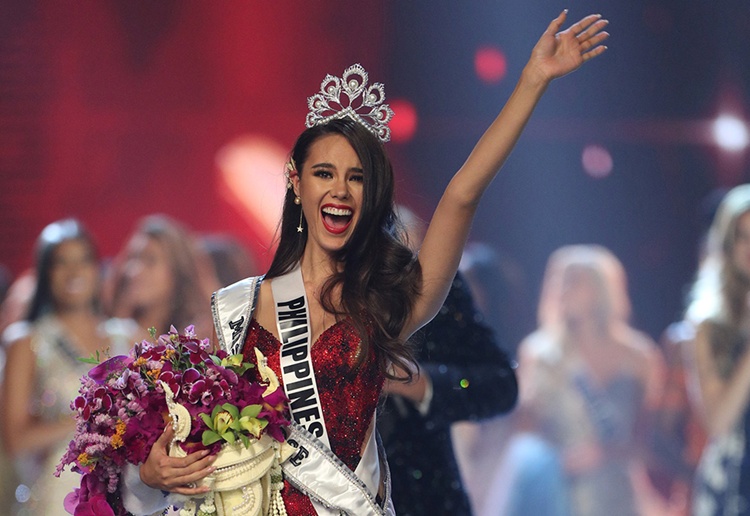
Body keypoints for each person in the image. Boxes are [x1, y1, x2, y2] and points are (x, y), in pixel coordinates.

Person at [129, 12, 609, 515]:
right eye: (324, 173)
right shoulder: (236, 308)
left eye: (356, 177)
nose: (340, 189)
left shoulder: (385, 302)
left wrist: (532, 81)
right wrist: (150, 474)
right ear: (296, 183)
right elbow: (198, 445)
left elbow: (462, 195)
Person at [378, 207, 518, 515]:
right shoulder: (300, 297)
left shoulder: (433, 286)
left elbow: (501, 384)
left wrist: (422, 383)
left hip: (428, 499)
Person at [514, 245, 663, 516]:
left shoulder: (639, 355)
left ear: (601, 289)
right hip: (559, 494)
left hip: (621, 495)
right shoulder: (539, 355)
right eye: (557, 281)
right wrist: (556, 461)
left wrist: (606, 453)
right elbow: (525, 436)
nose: (562, 290)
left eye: (573, 281)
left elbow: (651, 438)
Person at [0, 219, 136, 515]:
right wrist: (92, 420)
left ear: (96, 268)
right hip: (59, 498)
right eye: (61, 262)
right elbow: (16, 441)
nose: (74, 272)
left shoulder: (127, 335)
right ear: (45, 272)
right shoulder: (27, 341)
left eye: (83, 260)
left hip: (127, 493)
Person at [684, 184, 750, 515]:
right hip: (733, 487)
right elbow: (718, 422)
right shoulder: (707, 327)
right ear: (727, 245)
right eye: (743, 237)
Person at [105, 214, 218, 339]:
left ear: (177, 270)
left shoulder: (197, 339)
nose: (134, 271)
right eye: (132, 258)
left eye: (150, 260)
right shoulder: (107, 333)